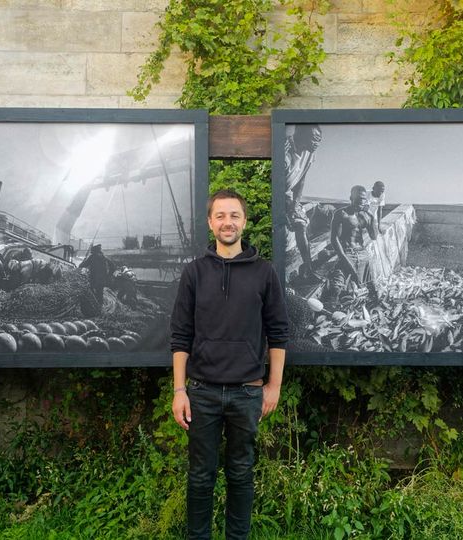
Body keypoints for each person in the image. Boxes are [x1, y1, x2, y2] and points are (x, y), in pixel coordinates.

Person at [170, 189, 289, 540]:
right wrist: (179, 390)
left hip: (247, 394)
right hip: (202, 393)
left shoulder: (264, 273)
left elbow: (278, 333)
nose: (227, 222)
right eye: (220, 216)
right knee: (200, 476)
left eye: (234, 215)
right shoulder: (194, 273)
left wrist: (274, 386)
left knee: (241, 474)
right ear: (210, 223)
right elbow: (180, 335)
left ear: (244, 221)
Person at [324, 185, 379, 304]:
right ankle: (332, 311)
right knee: (335, 288)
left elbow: (374, 236)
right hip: (347, 252)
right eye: (358, 198)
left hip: (363, 252)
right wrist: (344, 258)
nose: (361, 201)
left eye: (363, 199)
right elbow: (334, 239)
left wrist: (372, 217)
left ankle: (371, 308)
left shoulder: (366, 216)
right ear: (351, 198)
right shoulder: (341, 214)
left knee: (373, 289)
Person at [285, 124, 323, 282]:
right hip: (274, 193)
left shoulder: (310, 153)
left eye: (319, 141)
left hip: (287, 194)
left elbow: (301, 180)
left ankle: (308, 268)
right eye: (314, 139)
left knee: (301, 224)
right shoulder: (283, 151)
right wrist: (285, 210)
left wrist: (295, 205)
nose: (317, 144)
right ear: (301, 135)